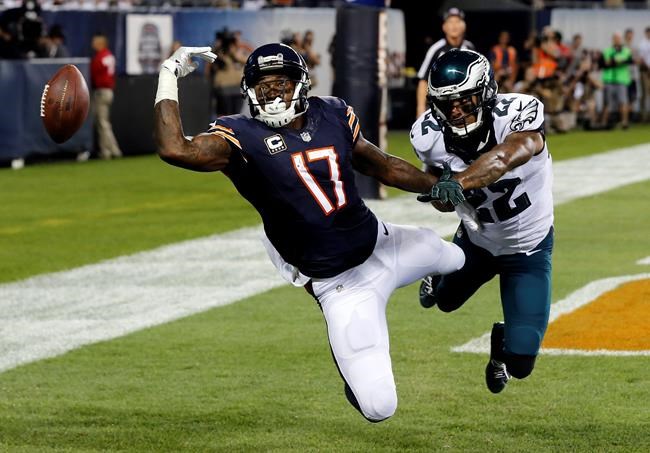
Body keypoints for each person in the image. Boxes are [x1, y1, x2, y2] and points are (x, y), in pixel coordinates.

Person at [153, 43, 466, 422]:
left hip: (383, 244)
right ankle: (353, 378)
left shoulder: (333, 113)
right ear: (250, 91)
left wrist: (435, 184)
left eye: (281, 84)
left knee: (456, 257)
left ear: (301, 84)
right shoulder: (239, 136)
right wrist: (168, 76)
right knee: (380, 407)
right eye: (264, 86)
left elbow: (381, 165)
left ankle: (432, 285)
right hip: (342, 285)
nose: (273, 94)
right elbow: (174, 149)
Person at [412, 49, 554, 394]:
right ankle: (438, 271)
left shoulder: (518, 113)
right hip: (477, 238)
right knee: (444, 302)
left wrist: (458, 183)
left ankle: (500, 344)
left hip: (527, 248)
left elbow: (507, 155)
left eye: (465, 99)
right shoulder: (428, 137)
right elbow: (441, 196)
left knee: (521, 363)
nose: (456, 110)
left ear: (487, 91)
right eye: (447, 104)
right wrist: (443, 197)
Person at [415, 7, 475, 117]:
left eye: (457, 21)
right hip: (441, 104)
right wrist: (420, 109)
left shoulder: (469, 48)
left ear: (464, 26)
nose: (454, 25)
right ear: (444, 27)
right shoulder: (436, 49)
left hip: (464, 105)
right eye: (450, 22)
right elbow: (423, 80)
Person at [91, 32, 122, 159]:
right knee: (102, 122)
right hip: (108, 90)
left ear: (101, 43)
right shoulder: (109, 55)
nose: (92, 44)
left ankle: (111, 150)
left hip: (102, 91)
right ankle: (109, 150)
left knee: (103, 123)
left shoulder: (100, 57)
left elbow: (94, 74)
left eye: (95, 41)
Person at [599, 32, 632, 129]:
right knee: (607, 102)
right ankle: (603, 123)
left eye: (618, 38)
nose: (617, 40)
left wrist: (613, 61)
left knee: (623, 101)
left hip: (621, 79)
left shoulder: (625, 50)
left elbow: (628, 61)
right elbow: (603, 63)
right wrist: (616, 61)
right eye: (615, 38)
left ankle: (624, 122)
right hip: (609, 79)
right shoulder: (607, 50)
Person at [639, 26, 650, 122]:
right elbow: (642, 59)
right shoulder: (643, 44)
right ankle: (643, 116)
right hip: (645, 71)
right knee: (645, 93)